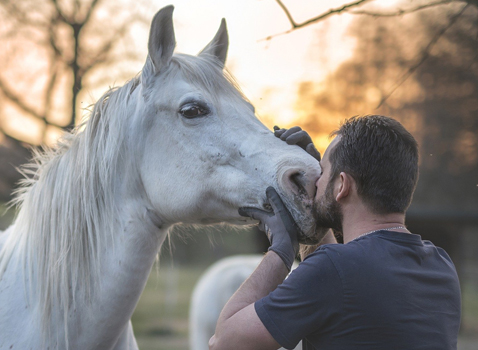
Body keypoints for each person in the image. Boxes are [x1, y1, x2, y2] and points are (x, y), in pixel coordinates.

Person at [208, 115, 461, 350]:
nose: (316, 181)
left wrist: (280, 252)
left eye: (323, 171)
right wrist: (314, 204)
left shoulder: (333, 269)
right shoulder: (441, 266)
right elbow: (342, 279)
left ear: (342, 185)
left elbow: (223, 341)